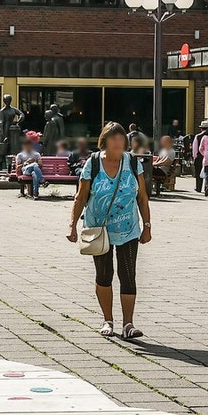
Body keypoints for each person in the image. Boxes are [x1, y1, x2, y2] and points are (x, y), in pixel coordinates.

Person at [66, 123, 152, 340]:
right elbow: (81, 196)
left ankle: (128, 324)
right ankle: (107, 320)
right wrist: (72, 225)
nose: (117, 142)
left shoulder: (132, 162)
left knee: (128, 275)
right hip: (98, 229)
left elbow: (142, 197)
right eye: (113, 139)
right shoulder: (93, 164)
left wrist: (147, 226)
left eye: (121, 138)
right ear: (104, 141)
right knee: (104, 275)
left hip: (129, 229)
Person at [0, 94, 23, 164]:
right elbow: (1, 121)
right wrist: (2, 131)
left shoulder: (13, 109)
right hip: (5, 128)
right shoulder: (2, 110)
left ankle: (13, 162)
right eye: (6, 101)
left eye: (8, 101)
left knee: (13, 145)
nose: (7, 102)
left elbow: (21, 114)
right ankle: (0, 163)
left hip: (12, 129)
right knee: (3, 146)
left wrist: (19, 120)